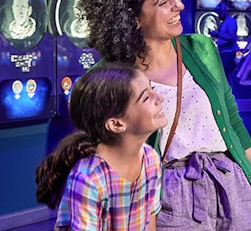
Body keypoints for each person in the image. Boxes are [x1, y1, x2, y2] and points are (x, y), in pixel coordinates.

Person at [80, 0, 251, 230]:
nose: (179, 5)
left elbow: (234, 123)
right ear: (134, 19)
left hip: (233, 184)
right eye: (163, 2)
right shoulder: (108, 77)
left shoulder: (202, 49)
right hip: (170, 200)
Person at [35, 63, 166, 230]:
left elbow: (150, 222)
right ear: (116, 124)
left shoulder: (151, 159)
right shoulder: (89, 179)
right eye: (146, 98)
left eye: (152, 88)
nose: (160, 97)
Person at [211, 3, 240, 77]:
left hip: (228, 53)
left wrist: (218, 34)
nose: (218, 16)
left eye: (219, 13)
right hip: (224, 52)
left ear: (224, 11)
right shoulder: (225, 22)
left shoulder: (230, 22)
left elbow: (231, 37)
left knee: (223, 75)